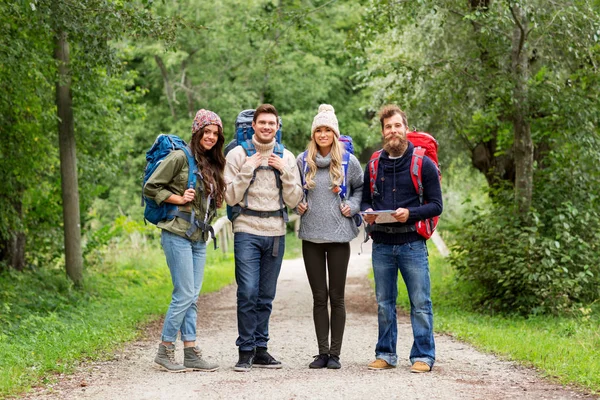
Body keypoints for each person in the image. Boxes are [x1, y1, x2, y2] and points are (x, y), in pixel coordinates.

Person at [361, 104, 443, 373]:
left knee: (420, 303)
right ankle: (385, 354)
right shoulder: (373, 164)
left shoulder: (423, 163)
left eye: (397, 126)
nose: (393, 131)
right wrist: (369, 214)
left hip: (412, 244)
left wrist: (410, 214)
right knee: (384, 304)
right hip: (382, 245)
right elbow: (364, 201)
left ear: (406, 129)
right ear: (383, 132)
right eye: (388, 127)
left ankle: (423, 356)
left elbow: (436, 205)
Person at [143, 109, 226, 373]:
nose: (211, 137)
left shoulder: (210, 163)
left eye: (215, 133)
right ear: (197, 132)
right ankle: (164, 349)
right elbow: (151, 187)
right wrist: (178, 198)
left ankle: (190, 351)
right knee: (184, 294)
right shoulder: (180, 157)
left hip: (198, 236)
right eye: (207, 132)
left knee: (192, 296)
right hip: (176, 232)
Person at [224, 103, 303, 372]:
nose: (267, 127)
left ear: (277, 127)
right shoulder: (237, 155)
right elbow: (230, 197)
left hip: (276, 231)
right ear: (254, 126)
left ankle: (261, 349)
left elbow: (294, 200)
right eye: (262, 123)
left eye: (272, 123)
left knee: (266, 295)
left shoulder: (287, 157)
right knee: (247, 291)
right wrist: (248, 168)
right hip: (246, 228)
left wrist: (287, 173)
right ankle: (245, 350)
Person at [295, 104, 363, 370]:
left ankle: (335, 354)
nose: (323, 134)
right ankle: (322, 352)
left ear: (335, 133)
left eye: (327, 130)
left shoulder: (348, 161)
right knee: (319, 297)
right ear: (313, 134)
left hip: (338, 237)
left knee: (337, 297)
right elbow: (292, 192)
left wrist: (353, 206)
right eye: (318, 130)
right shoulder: (303, 162)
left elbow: (359, 190)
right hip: (311, 237)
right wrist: (297, 204)